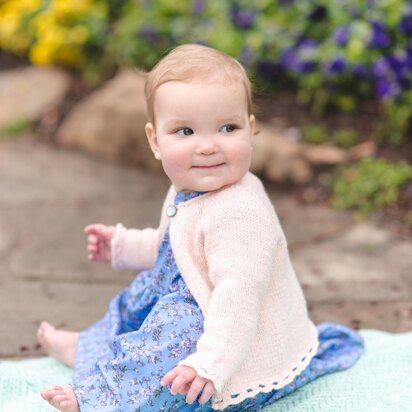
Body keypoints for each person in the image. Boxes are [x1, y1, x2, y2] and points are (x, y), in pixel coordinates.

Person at [38, 44, 364, 412]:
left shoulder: (240, 213)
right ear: (155, 141)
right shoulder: (188, 188)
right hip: (193, 299)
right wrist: (123, 245)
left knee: (172, 334)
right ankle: (89, 348)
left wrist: (211, 365)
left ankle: (104, 397)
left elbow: (238, 299)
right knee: (138, 299)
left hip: (230, 341)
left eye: (228, 127)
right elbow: (173, 249)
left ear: (251, 130)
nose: (208, 146)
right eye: (186, 131)